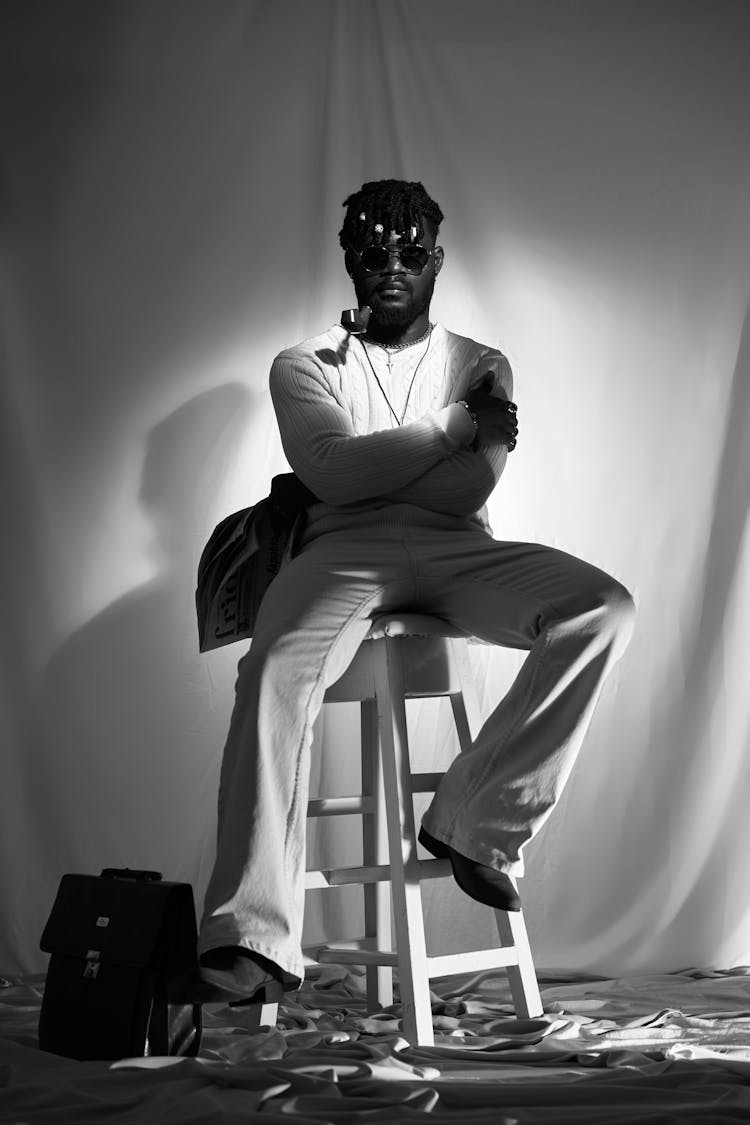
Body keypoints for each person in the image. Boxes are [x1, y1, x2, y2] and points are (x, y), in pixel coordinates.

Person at [196, 179, 635, 1005]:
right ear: (349, 259)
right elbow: (328, 468)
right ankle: (251, 935)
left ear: (436, 260)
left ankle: (477, 823)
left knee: (601, 608)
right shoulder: (301, 365)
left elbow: (462, 492)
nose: (390, 263)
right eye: (371, 248)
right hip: (339, 551)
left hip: (454, 545)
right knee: (272, 670)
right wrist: (447, 428)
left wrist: (371, 468)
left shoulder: (482, 364)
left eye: (409, 250)